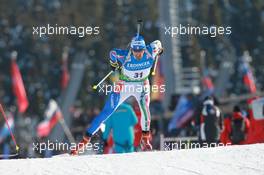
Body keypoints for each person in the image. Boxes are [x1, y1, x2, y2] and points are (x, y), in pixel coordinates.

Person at [71, 34, 163, 155]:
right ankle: (85, 140)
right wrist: (113, 64)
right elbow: (112, 53)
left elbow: (158, 43)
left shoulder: (151, 51)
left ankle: (146, 138)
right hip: (124, 84)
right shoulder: (126, 56)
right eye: (135, 51)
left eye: (140, 50)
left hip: (141, 85)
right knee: (107, 112)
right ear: (131, 49)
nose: (138, 54)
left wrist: (161, 49)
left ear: (143, 48)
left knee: (145, 109)